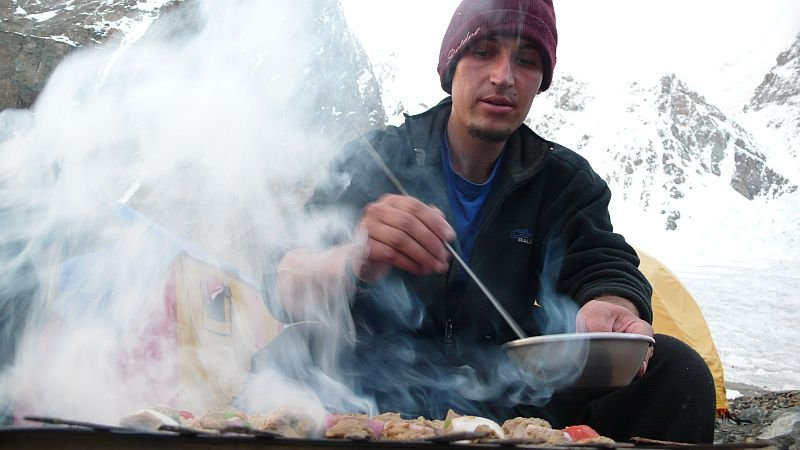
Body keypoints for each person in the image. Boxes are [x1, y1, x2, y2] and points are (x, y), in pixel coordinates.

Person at [272, 0, 716, 443]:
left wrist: (614, 308)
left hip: (511, 390)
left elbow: (600, 261)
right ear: (451, 66)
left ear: (541, 81)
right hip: (375, 381)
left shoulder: (562, 180)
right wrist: (353, 258)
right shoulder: (376, 158)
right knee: (285, 355)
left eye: (525, 61)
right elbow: (282, 277)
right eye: (484, 52)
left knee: (676, 369)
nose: (504, 77)